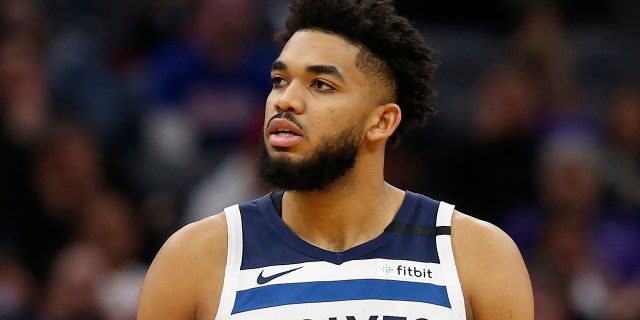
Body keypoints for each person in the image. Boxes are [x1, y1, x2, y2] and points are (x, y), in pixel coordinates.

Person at [136, 0, 534, 319]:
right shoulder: (193, 258)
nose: (285, 99)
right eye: (279, 80)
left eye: (321, 85)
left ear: (381, 121)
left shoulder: (477, 255)